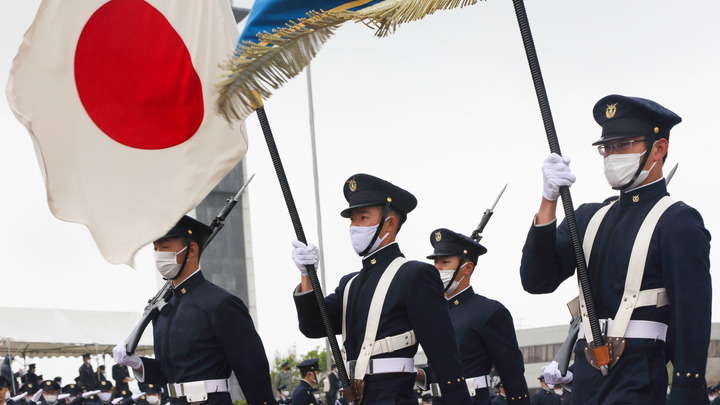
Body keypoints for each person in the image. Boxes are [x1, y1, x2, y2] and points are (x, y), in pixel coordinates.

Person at [519, 94, 711, 404]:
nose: (611, 156)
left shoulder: (678, 221)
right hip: (585, 378)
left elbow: (692, 317)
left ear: (659, 148)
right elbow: (536, 281)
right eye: (606, 148)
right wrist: (548, 202)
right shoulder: (587, 217)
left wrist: (687, 390)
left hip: (639, 377)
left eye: (623, 146)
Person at [292, 174, 471, 405]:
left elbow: (443, 353)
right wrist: (307, 275)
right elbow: (313, 325)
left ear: (390, 224)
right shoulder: (349, 284)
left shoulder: (414, 275)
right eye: (352, 220)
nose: (355, 227)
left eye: (363, 218)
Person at [112, 215, 277, 405]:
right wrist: (137, 362)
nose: (159, 255)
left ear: (191, 250)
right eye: (155, 249)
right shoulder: (163, 309)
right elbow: (169, 373)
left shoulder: (221, 303)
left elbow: (252, 370)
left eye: (165, 247)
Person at [422, 228, 529, 405]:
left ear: (467, 268)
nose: (437, 269)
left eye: (445, 262)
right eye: (436, 263)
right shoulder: (435, 313)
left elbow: (512, 373)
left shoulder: (489, 311)